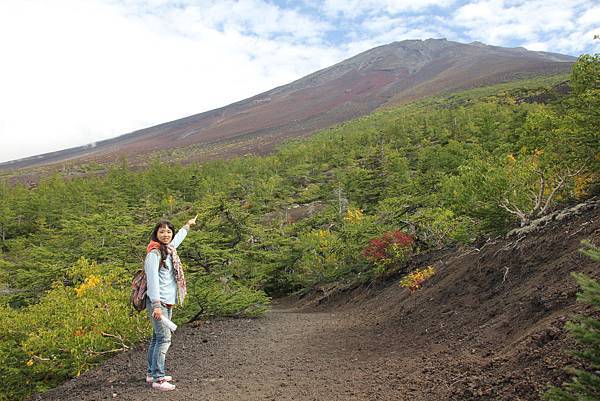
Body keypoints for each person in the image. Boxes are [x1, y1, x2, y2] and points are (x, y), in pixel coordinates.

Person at [144, 215, 197, 391]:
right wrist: (156, 305)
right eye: (162, 231)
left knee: (156, 337)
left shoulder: (168, 249)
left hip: (167, 301)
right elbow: (152, 281)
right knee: (164, 338)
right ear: (156, 233)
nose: (166, 234)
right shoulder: (154, 253)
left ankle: (152, 373)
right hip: (158, 303)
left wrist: (188, 225)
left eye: (169, 231)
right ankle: (158, 379)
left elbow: (178, 238)